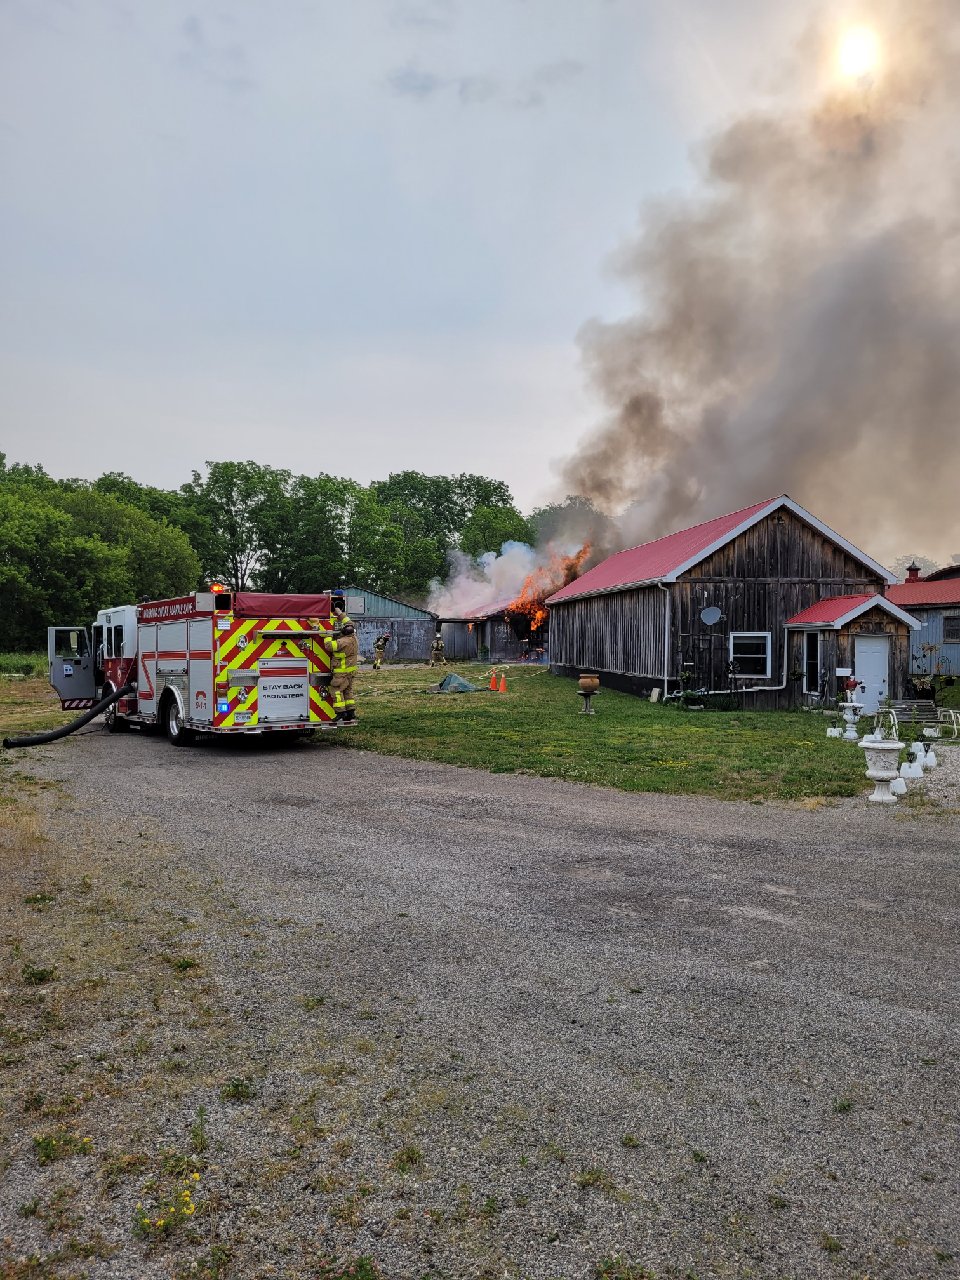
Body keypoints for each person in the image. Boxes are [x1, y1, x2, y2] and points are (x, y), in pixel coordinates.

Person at [323, 621, 359, 724]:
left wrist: (328, 635)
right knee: (347, 691)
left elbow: (329, 646)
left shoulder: (342, 642)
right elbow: (349, 623)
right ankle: (350, 712)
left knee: (336, 691)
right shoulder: (354, 639)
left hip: (341, 673)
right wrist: (340, 614)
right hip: (350, 673)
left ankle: (340, 712)